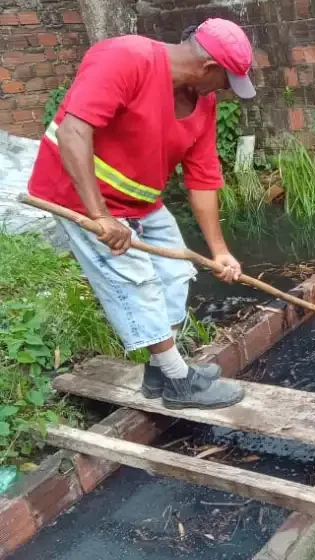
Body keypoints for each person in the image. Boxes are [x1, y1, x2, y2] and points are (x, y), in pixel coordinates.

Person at [27, 18, 257, 410]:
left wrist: (219, 250)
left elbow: (202, 177)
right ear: (207, 68)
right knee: (135, 284)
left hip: (141, 202)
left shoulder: (202, 102)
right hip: (79, 196)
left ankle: (160, 371)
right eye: (225, 81)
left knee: (174, 275)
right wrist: (101, 216)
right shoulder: (124, 58)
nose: (225, 92)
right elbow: (73, 132)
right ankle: (181, 383)